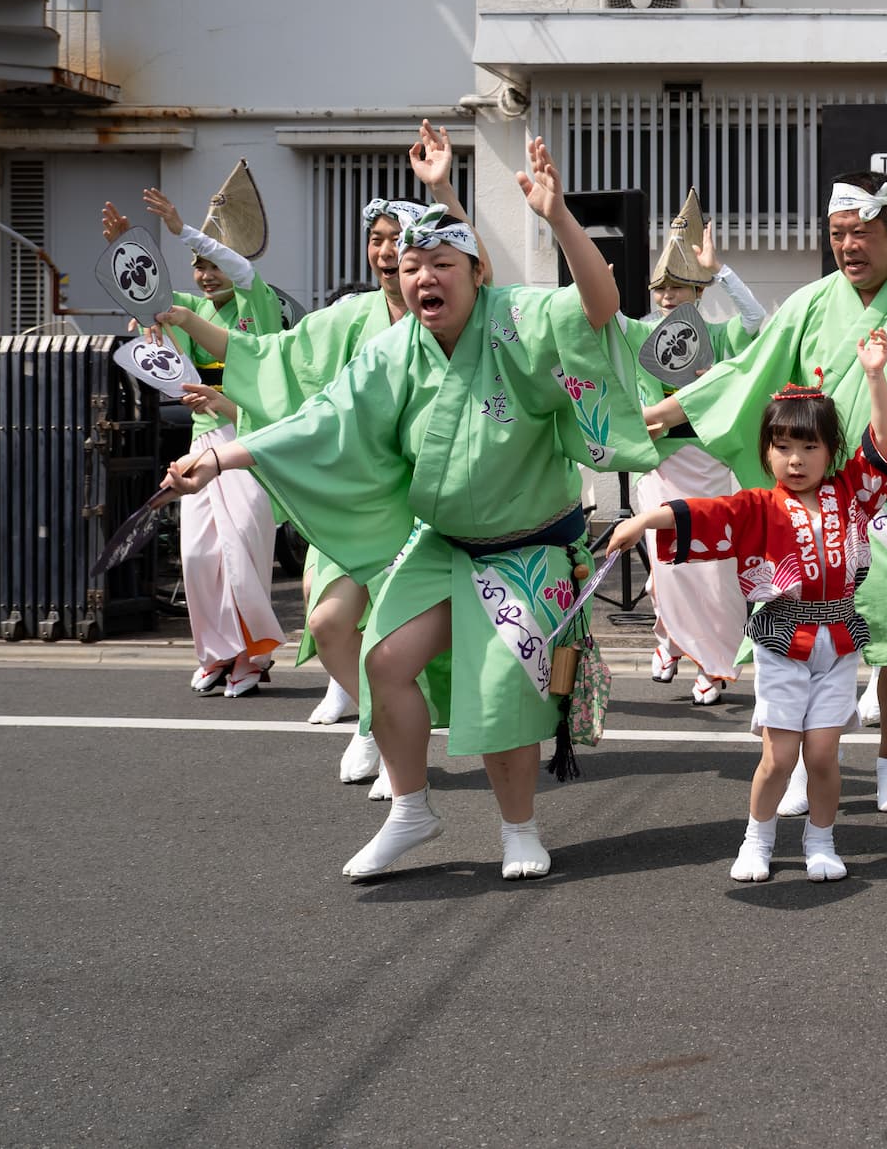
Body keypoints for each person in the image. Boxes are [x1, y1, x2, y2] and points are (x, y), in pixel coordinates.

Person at [162, 139, 656, 882]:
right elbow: (325, 416)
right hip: (444, 540)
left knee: (500, 693)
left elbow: (600, 306)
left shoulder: (517, 319)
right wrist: (223, 457)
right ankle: (410, 808)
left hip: (526, 547)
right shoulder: (397, 349)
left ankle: (519, 827)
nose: (423, 275)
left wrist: (558, 218)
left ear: (477, 273)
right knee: (382, 659)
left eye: (442, 263)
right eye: (411, 264)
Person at [674, 123, 887, 814]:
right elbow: (748, 372)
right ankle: (802, 767)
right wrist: (667, 411)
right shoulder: (811, 302)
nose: (848, 245)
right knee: (798, 635)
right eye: (837, 234)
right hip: (821, 504)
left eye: (861, 232)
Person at [173, 124, 471, 793]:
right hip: (359, 494)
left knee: (429, 634)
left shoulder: (452, 316)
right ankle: (373, 719)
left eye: (401, 239)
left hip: (434, 501)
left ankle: (410, 744)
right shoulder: (348, 318)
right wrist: (188, 321)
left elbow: (477, 269)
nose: (388, 251)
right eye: (378, 238)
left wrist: (443, 190)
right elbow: (274, 360)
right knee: (328, 617)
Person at [610, 332, 887, 881]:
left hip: (839, 639)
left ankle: (821, 842)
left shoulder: (852, 494)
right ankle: (757, 839)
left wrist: (874, 376)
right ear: (766, 450)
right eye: (783, 447)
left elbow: (884, 444)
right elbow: (704, 512)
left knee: (823, 755)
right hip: (782, 641)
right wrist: (644, 519)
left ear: (831, 451)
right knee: (780, 756)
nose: (796, 460)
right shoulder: (757, 505)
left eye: (810, 448)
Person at [103, 175, 286, 698]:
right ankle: (216, 652)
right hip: (203, 442)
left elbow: (241, 271)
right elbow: (148, 298)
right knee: (200, 555)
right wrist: (127, 248)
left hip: (252, 440)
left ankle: (253, 655)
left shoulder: (258, 301)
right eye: (198, 266)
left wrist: (182, 229)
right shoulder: (193, 306)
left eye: (213, 264)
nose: (205, 275)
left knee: (242, 553)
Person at [628, 194, 768, 700]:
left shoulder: (719, 335)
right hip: (659, 466)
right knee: (666, 564)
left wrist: (721, 270)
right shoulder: (639, 334)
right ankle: (669, 638)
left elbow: (754, 320)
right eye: (661, 287)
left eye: (678, 286)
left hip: (708, 463)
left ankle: (712, 662)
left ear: (698, 291)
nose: (667, 296)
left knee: (713, 570)